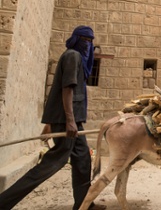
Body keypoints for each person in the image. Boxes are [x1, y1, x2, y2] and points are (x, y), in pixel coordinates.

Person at [0, 26, 105, 210]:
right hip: (68, 121)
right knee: (52, 164)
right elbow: (67, 89)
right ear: (78, 39)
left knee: (83, 160)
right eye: (86, 41)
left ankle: (83, 204)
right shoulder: (73, 56)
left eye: (91, 42)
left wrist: (50, 124)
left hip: (73, 122)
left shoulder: (74, 56)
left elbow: (56, 93)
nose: (89, 45)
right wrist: (69, 121)